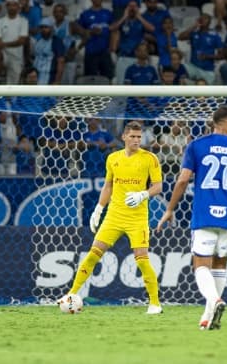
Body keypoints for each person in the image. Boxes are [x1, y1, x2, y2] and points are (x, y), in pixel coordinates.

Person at [156, 105, 227, 330]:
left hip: (204, 214)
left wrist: (169, 209)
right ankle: (208, 315)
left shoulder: (196, 146)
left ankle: (214, 301)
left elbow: (182, 180)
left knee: (200, 264)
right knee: (220, 264)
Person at [61, 121, 163, 314]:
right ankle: (72, 294)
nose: (136, 140)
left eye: (139, 137)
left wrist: (143, 194)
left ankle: (155, 304)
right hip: (114, 216)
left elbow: (158, 186)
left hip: (137, 218)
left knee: (141, 259)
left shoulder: (150, 159)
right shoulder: (113, 159)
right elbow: (108, 186)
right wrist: (99, 209)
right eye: (132, 136)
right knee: (93, 253)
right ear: (124, 137)